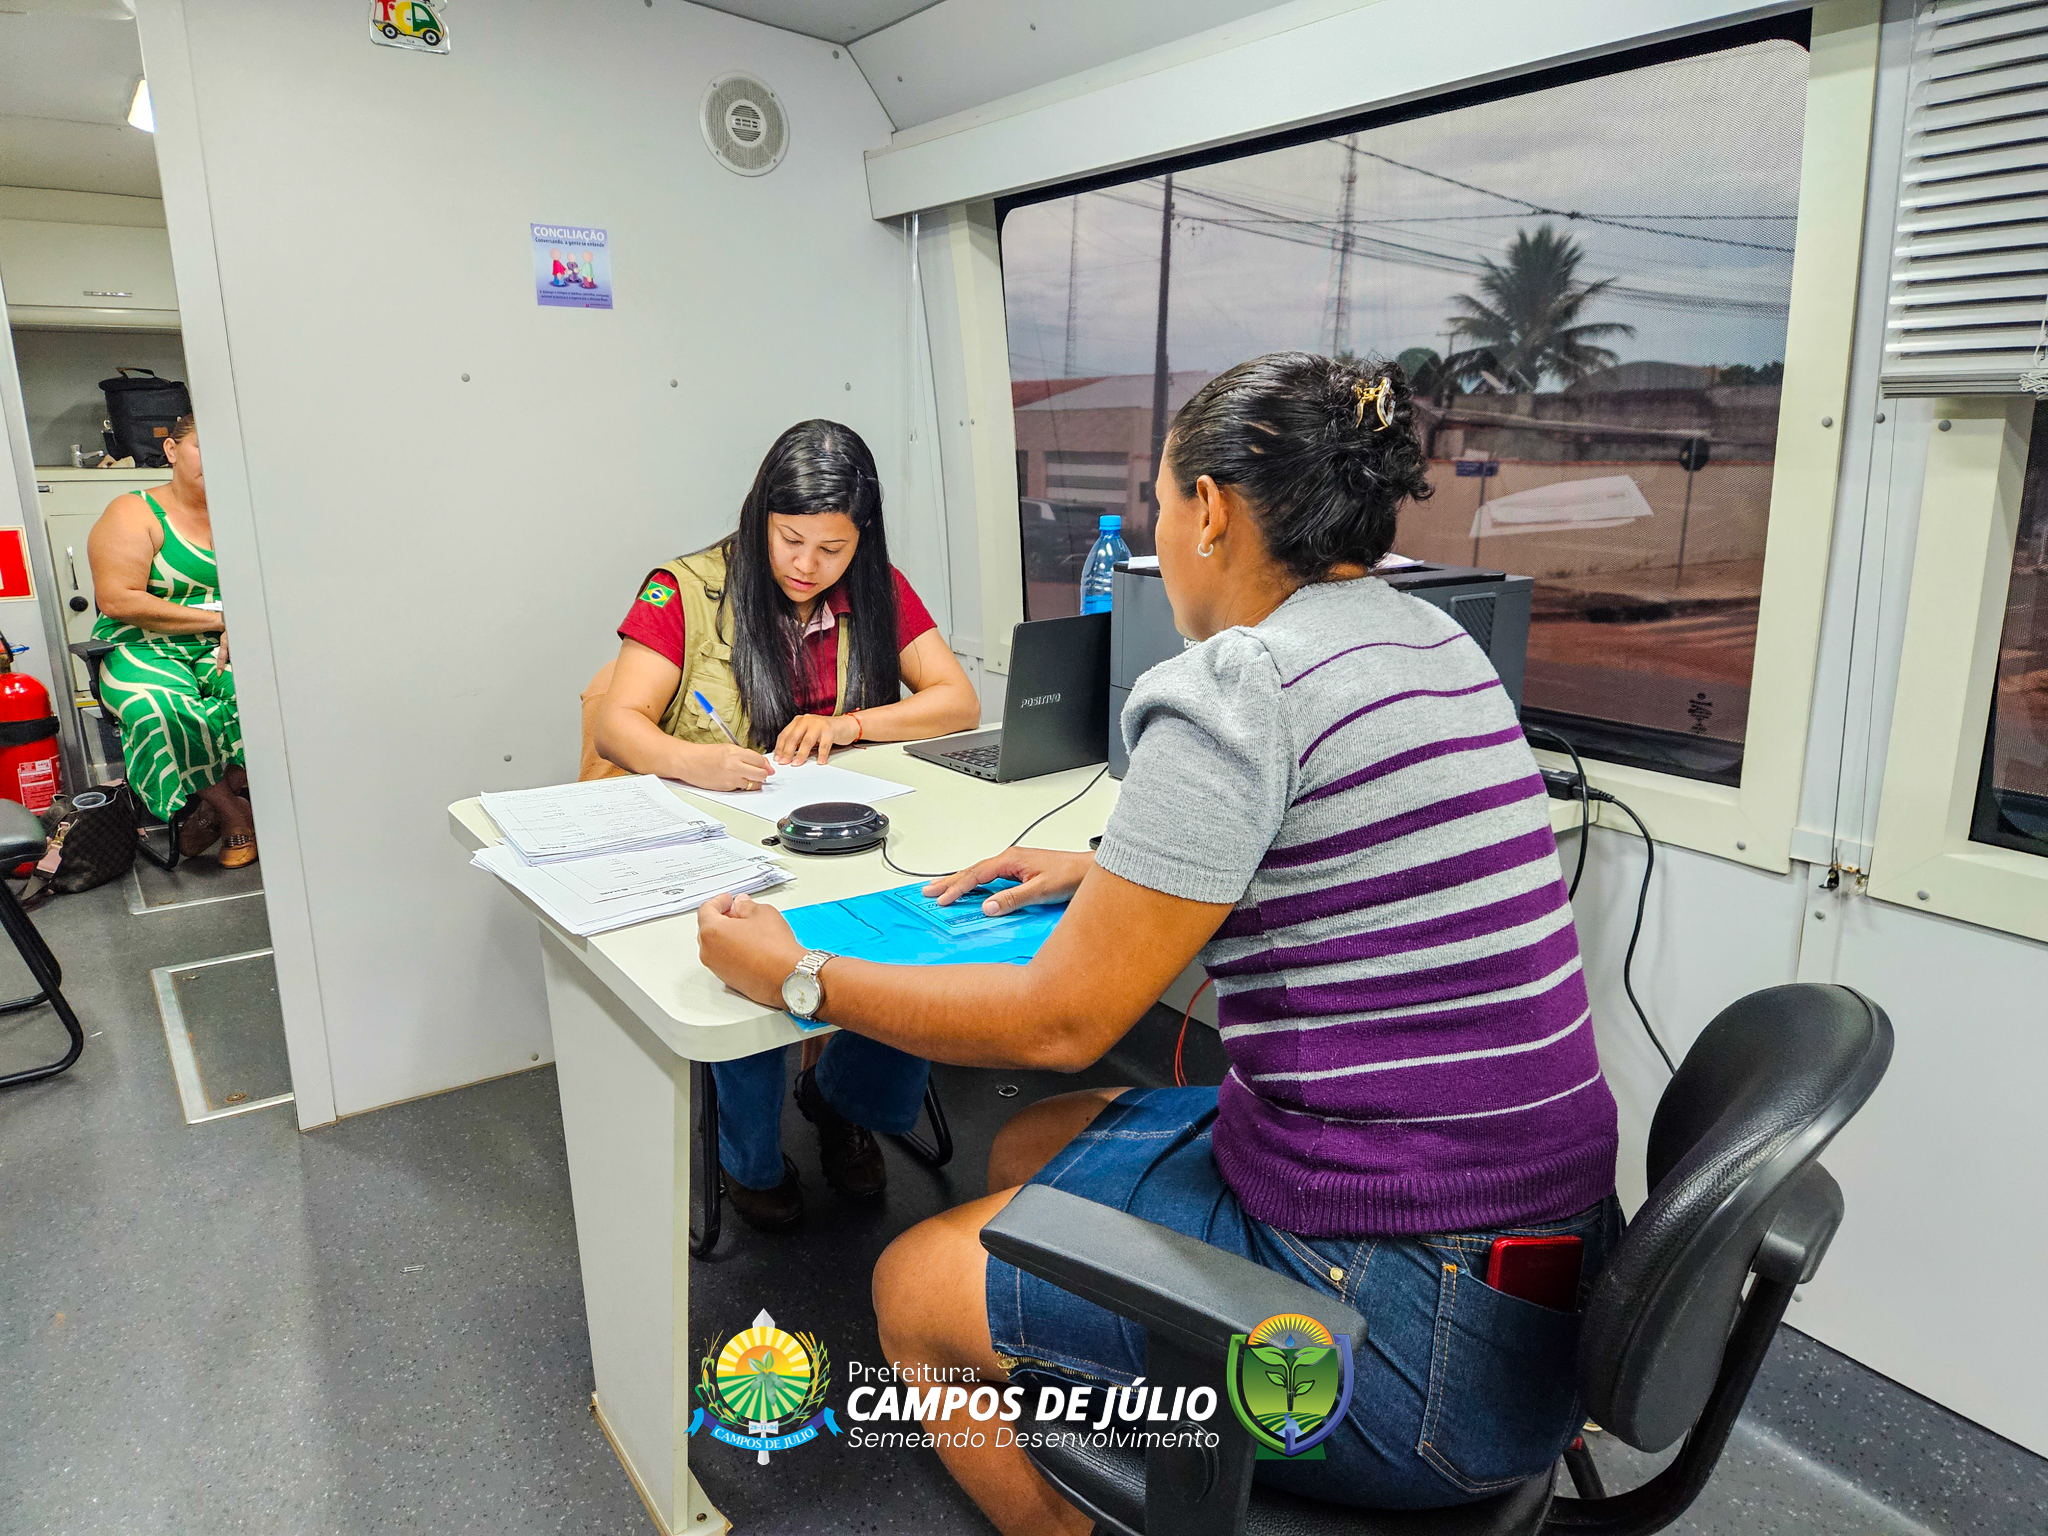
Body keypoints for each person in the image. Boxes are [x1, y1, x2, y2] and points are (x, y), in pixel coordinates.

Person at [697, 354, 1621, 1529]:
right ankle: (1119, 1391)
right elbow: (1332, 843)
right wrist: (1108, 873)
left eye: (1159, 503)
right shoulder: (1436, 643)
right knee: (1028, 1145)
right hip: (1543, 1287)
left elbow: (1057, 1023)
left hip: (1409, 1338)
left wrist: (796, 976)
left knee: (909, 1290)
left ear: (1209, 511)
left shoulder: (1241, 683)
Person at [596, 418, 979, 1232]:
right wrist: (690, 759)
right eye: (790, 540)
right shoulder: (684, 589)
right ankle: (750, 1160)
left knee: (924, 935)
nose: (807, 566)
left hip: (843, 843)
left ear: (861, 539)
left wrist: (851, 725)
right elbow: (617, 723)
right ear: (759, 517)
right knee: (747, 967)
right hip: (724, 850)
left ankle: (839, 1100)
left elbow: (957, 702)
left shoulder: (877, 588)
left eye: (832, 549)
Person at [86, 414, 254, 868]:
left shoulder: (251, 512)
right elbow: (118, 599)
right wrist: (222, 619)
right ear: (172, 450)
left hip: (231, 639)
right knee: (159, 708)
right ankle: (232, 812)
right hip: (142, 642)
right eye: (203, 447)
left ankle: (213, 804)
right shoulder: (134, 512)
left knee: (271, 698)